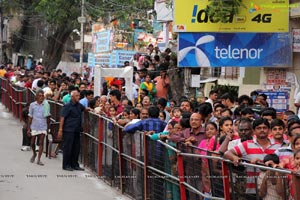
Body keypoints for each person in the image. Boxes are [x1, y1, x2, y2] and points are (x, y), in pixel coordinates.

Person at [57, 90, 92, 171]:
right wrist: (60, 129)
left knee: (76, 148)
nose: (78, 97)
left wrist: (91, 109)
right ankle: (66, 165)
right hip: (68, 129)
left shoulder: (79, 105)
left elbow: (84, 109)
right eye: (76, 96)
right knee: (68, 148)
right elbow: (62, 117)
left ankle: (74, 164)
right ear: (72, 97)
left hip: (77, 129)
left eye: (79, 96)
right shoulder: (67, 106)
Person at [27, 90, 51, 166]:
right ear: (36, 97)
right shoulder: (32, 105)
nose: (41, 97)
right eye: (39, 96)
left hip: (43, 126)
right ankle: (34, 154)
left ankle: (39, 159)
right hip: (34, 126)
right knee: (32, 143)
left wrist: (48, 128)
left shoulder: (46, 105)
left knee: (41, 142)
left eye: (42, 96)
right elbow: (30, 117)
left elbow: (48, 117)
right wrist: (28, 128)